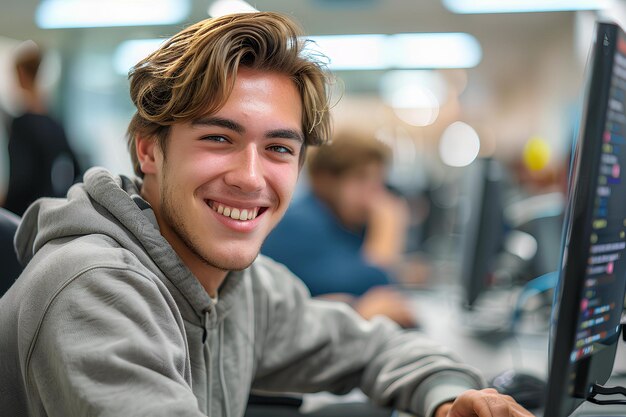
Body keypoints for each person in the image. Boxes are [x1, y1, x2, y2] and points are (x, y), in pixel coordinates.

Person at [0, 12, 534, 417]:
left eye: (278, 149)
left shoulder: (243, 285)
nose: (251, 177)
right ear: (149, 151)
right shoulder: (94, 290)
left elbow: (372, 347)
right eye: (218, 138)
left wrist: (449, 397)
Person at [263, 132, 418, 328]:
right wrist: (387, 231)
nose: (374, 194)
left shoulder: (346, 223)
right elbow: (373, 285)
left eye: (378, 181)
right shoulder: (298, 221)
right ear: (325, 180)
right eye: (361, 179)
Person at [2, 40, 81, 216]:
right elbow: (76, 167)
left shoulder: (22, 123)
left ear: (21, 73)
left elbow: (21, 179)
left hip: (25, 214)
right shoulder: (53, 121)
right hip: (50, 210)